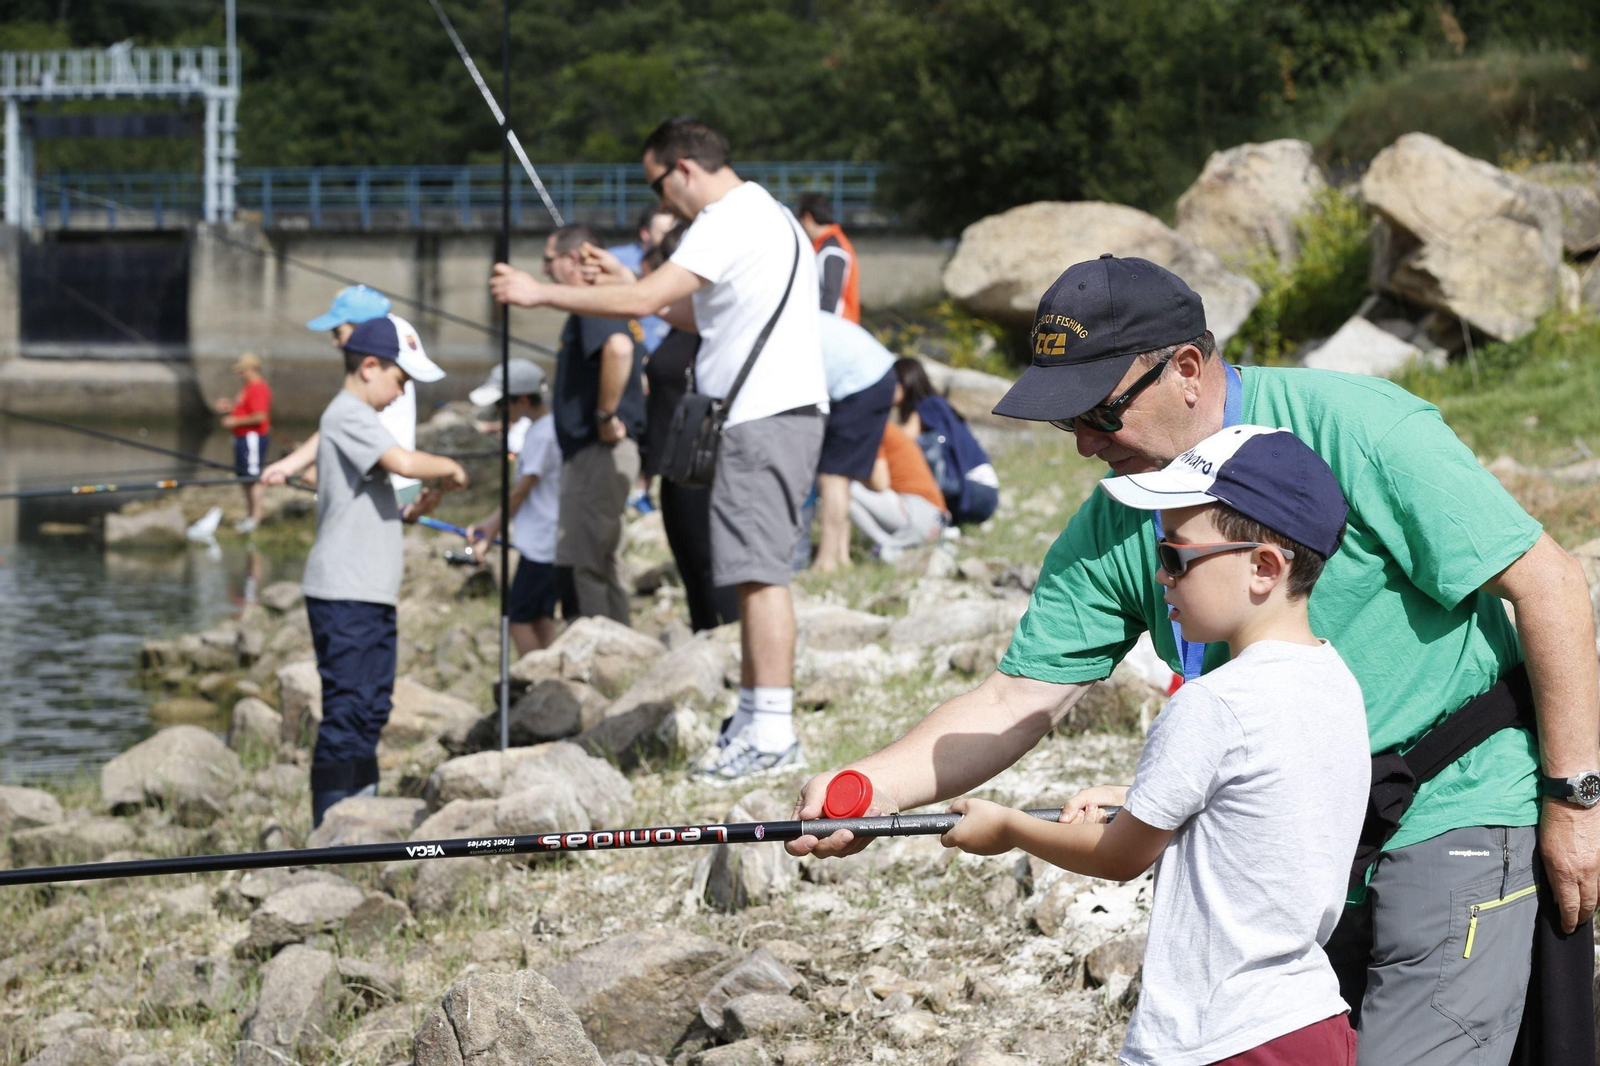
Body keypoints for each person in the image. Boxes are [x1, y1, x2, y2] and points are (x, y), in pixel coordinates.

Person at [790, 254, 1600, 1066]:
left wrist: (1575, 804)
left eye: (1099, 413)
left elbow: (1553, 589)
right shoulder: (1119, 516)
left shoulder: (1357, 427)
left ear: (1184, 369)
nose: (1083, 445)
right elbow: (1013, 700)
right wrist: (871, 790)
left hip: (1454, 804)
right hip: (1289, 841)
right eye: (1063, 422)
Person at [944, 424, 1367, 1066]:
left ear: (1263, 568)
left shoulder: (1212, 703)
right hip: (1312, 1020)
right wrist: (1132, 795)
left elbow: (1119, 856)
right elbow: (1259, 798)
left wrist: (1007, 827)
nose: (1161, 577)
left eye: (1175, 557)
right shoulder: (1335, 680)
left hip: (1215, 1036)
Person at [491, 117, 828, 782]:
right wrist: (620, 274)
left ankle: (774, 732)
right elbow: (695, 315)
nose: (661, 200)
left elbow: (647, 298)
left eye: (657, 183)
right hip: (770, 417)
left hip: (763, 418)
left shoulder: (725, 219)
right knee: (751, 572)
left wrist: (539, 293)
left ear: (683, 169)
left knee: (760, 577)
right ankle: (756, 718)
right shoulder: (772, 216)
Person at [300, 315, 467, 827]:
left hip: (369, 592)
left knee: (371, 707)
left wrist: (417, 507)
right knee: (348, 712)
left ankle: (361, 813)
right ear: (369, 366)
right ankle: (331, 826)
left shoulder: (362, 419)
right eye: (402, 380)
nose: (402, 394)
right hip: (343, 591)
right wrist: (451, 469)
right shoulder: (348, 413)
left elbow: (383, 496)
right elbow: (406, 464)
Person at [544, 223, 647, 626]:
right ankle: (620, 644)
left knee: (587, 563)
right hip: (600, 454)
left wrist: (606, 417)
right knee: (603, 558)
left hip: (598, 452)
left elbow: (619, 351)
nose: (544, 269)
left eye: (548, 260)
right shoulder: (609, 302)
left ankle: (600, 658)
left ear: (573, 261)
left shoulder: (594, 303)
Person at [639, 226, 739, 631]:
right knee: (692, 569)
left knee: (713, 565)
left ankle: (729, 648)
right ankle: (706, 646)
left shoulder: (715, 322)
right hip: (674, 465)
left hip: (704, 465)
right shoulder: (683, 323)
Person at [264, 287, 424, 510]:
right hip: (390, 484)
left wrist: (307, 467)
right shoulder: (383, 369)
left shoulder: (377, 379)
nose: (335, 342)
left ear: (364, 328)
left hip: (390, 487)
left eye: (338, 332)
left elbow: (344, 424)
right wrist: (290, 466)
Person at [467, 359, 560, 655]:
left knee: (517, 620)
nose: (497, 412)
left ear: (521, 400)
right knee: (542, 618)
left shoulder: (541, 435)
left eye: (500, 404)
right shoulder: (547, 429)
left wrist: (489, 527)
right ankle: (553, 678)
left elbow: (520, 492)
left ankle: (536, 684)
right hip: (547, 542)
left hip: (540, 547)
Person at [810, 313, 898, 572]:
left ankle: (827, 560)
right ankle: (841, 555)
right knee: (841, 473)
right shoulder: (804, 312)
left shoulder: (787, 321)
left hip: (861, 382)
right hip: (875, 375)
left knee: (832, 474)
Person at [892, 357, 1000, 526]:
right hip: (983, 492)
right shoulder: (937, 405)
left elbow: (899, 439)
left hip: (976, 492)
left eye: (891, 382)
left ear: (905, 381)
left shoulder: (928, 405)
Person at [848, 420, 947, 561]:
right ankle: (887, 547)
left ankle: (884, 546)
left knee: (842, 486)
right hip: (934, 518)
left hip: (919, 513)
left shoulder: (872, 427)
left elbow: (880, 482)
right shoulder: (885, 426)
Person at [607, 205, 678, 354]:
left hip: (666, 346)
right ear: (645, 233)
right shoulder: (615, 259)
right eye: (665, 233)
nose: (671, 237)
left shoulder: (678, 261)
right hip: (630, 348)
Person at [214, 352, 271, 533]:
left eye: (242, 371)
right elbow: (247, 409)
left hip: (252, 438)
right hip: (241, 438)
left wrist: (235, 421)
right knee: (245, 477)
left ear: (252, 369)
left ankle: (255, 517)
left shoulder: (258, 388)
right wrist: (231, 406)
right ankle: (249, 516)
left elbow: (260, 416)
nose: (240, 374)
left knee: (253, 477)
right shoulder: (247, 388)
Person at [796, 191, 860, 323]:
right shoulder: (827, 245)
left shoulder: (832, 249)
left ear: (807, 218)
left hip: (838, 330)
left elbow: (831, 299)